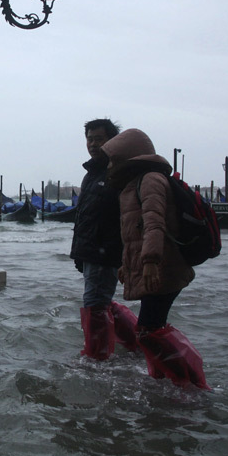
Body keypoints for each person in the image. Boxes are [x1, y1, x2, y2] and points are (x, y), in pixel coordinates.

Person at [101, 128, 210, 389]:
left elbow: (154, 224)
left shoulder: (149, 180)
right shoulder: (134, 184)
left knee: (148, 330)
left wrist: (150, 262)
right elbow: (133, 234)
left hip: (163, 267)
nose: (110, 164)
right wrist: (127, 266)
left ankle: (188, 384)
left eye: (114, 157)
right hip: (158, 266)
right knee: (152, 327)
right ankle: (166, 379)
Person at [69, 119, 139, 360]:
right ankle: (136, 344)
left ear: (113, 141)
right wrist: (79, 253)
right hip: (90, 252)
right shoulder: (92, 174)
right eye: (90, 139)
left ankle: (96, 358)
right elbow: (85, 217)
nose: (93, 144)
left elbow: (129, 217)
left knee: (95, 305)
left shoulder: (118, 173)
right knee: (101, 302)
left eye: (99, 138)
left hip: (106, 252)